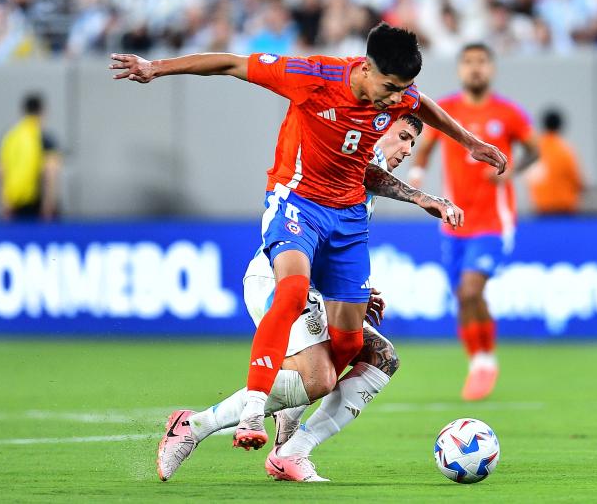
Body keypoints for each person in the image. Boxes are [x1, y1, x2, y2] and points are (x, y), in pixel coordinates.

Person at [111, 23, 506, 458]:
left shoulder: (389, 115)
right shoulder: (314, 76)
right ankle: (243, 416)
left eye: (404, 92)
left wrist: (469, 144)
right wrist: (157, 68)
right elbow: (230, 63)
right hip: (295, 213)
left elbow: (420, 104)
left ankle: (284, 444)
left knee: (357, 350)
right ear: (367, 68)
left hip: (339, 231)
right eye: (392, 91)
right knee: (300, 313)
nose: (397, 103)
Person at [157, 116, 442, 483]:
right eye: (402, 137)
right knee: (318, 377)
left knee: (382, 358)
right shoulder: (351, 157)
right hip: (277, 277)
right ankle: (193, 426)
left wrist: (351, 292)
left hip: (318, 287)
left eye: (412, 144)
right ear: (378, 126)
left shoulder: (375, 171)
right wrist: (421, 196)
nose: (406, 149)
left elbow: (336, 241)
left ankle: (292, 451)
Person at [408, 42, 538, 401]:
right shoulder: (446, 109)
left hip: (494, 222)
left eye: (481, 62)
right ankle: (478, 358)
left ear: (491, 68)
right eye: (468, 62)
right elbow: (428, 143)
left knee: (470, 290)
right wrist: (418, 170)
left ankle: (483, 361)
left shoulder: (508, 113)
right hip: (454, 221)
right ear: (460, 69)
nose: (475, 68)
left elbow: (535, 149)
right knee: (463, 297)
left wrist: (511, 174)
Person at [0, 93, 61, 221]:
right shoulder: (44, 137)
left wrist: (4, 203)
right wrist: (48, 205)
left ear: (23, 111)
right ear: (43, 111)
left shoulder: (10, 137)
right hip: (37, 204)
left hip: (13, 203)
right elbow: (50, 171)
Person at [525, 108, 585, 215]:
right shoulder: (565, 150)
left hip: (540, 208)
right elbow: (578, 182)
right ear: (560, 126)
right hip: (564, 210)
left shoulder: (535, 149)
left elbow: (530, 177)